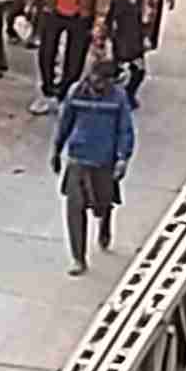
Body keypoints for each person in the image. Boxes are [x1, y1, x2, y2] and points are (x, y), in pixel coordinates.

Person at [55, 56, 137, 272]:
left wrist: (122, 158)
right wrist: (56, 150)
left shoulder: (118, 98)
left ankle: (105, 220)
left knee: (102, 202)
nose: (98, 84)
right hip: (77, 158)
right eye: (95, 78)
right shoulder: (76, 92)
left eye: (103, 80)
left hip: (104, 160)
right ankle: (78, 258)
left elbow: (125, 129)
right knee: (75, 208)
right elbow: (65, 122)